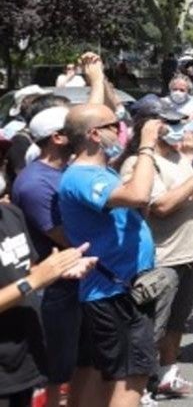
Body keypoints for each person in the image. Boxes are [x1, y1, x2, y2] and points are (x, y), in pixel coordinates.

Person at [58, 104, 164, 407]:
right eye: (114, 126)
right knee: (133, 377)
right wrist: (146, 146)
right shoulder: (82, 177)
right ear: (93, 134)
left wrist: (98, 79)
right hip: (113, 294)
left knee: (105, 374)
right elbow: (138, 195)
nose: (121, 130)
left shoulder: (98, 170)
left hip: (119, 290)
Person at [119, 98, 193, 400]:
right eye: (169, 123)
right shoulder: (138, 163)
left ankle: (167, 376)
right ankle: (137, 390)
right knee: (150, 330)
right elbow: (160, 206)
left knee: (177, 323)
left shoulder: (177, 156)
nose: (177, 129)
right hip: (161, 260)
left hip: (189, 255)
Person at [10, 106, 82, 401]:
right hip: (54, 291)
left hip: (75, 281)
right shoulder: (34, 183)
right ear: (58, 137)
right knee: (57, 374)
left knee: (79, 365)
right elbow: (68, 237)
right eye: (75, 128)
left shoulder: (67, 170)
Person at [0, 204, 95, 407]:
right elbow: (29, 281)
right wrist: (33, 281)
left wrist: (56, 269)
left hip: (24, 359)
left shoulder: (12, 213)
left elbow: (27, 270)